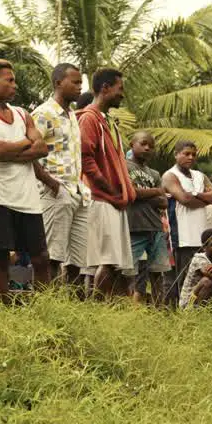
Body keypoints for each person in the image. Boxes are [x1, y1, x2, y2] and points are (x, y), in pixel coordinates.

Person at [0, 59, 51, 302]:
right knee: (1, 260)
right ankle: (2, 314)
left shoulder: (23, 114)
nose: (15, 85)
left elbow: (42, 147)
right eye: (10, 80)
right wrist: (26, 144)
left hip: (28, 199)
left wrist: (11, 151)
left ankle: (45, 311)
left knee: (41, 258)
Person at [79, 69, 136, 299]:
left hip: (114, 199)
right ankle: (97, 308)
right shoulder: (89, 117)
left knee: (115, 262)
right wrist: (109, 187)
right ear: (105, 88)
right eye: (119, 88)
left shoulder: (108, 120)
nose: (122, 94)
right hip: (101, 198)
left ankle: (107, 308)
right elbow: (85, 158)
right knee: (106, 260)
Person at [32, 63, 89, 288]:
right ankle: (47, 309)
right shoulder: (43, 113)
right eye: (74, 82)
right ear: (58, 83)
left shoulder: (72, 115)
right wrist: (52, 184)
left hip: (78, 193)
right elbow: (29, 152)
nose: (79, 87)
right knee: (52, 257)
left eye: (80, 83)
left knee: (77, 261)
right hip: (55, 191)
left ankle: (73, 312)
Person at [163, 140, 212, 299]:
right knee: (182, 281)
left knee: (201, 279)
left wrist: (196, 195)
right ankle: (176, 315)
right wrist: (203, 199)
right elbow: (184, 199)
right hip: (182, 238)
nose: (190, 157)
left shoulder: (200, 176)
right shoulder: (170, 175)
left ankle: (195, 313)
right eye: (186, 154)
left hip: (201, 238)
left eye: (194, 154)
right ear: (176, 155)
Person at [125, 131, 169, 306]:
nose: (147, 148)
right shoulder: (124, 166)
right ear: (132, 144)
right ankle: (128, 311)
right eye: (143, 143)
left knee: (158, 272)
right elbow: (131, 193)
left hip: (156, 227)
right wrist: (156, 192)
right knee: (130, 272)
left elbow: (164, 202)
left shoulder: (155, 174)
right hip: (134, 226)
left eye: (151, 145)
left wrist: (144, 194)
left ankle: (160, 310)